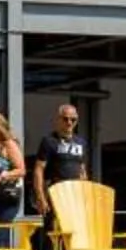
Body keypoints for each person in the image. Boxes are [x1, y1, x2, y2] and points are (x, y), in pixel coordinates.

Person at [30, 102, 90, 242]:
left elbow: (82, 169)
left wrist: (85, 194)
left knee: (74, 231)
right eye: (65, 118)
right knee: (53, 232)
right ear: (58, 119)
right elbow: (39, 169)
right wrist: (41, 197)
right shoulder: (49, 141)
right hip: (55, 193)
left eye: (73, 119)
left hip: (75, 195)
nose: (69, 122)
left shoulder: (81, 142)